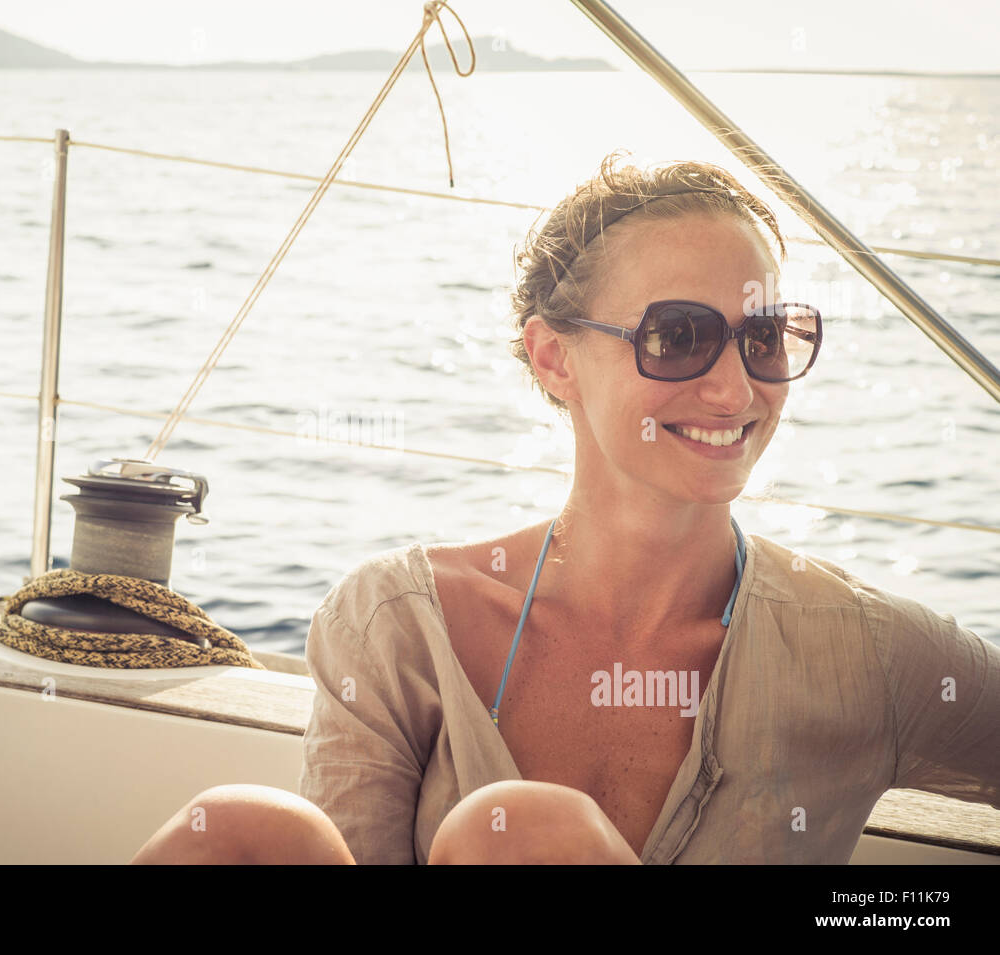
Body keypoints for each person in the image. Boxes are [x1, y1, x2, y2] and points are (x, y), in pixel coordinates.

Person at [130, 150, 1000, 864]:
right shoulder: (398, 624)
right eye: (680, 336)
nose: (736, 388)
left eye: (766, 337)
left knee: (520, 835)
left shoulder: (866, 650)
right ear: (553, 359)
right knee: (246, 829)